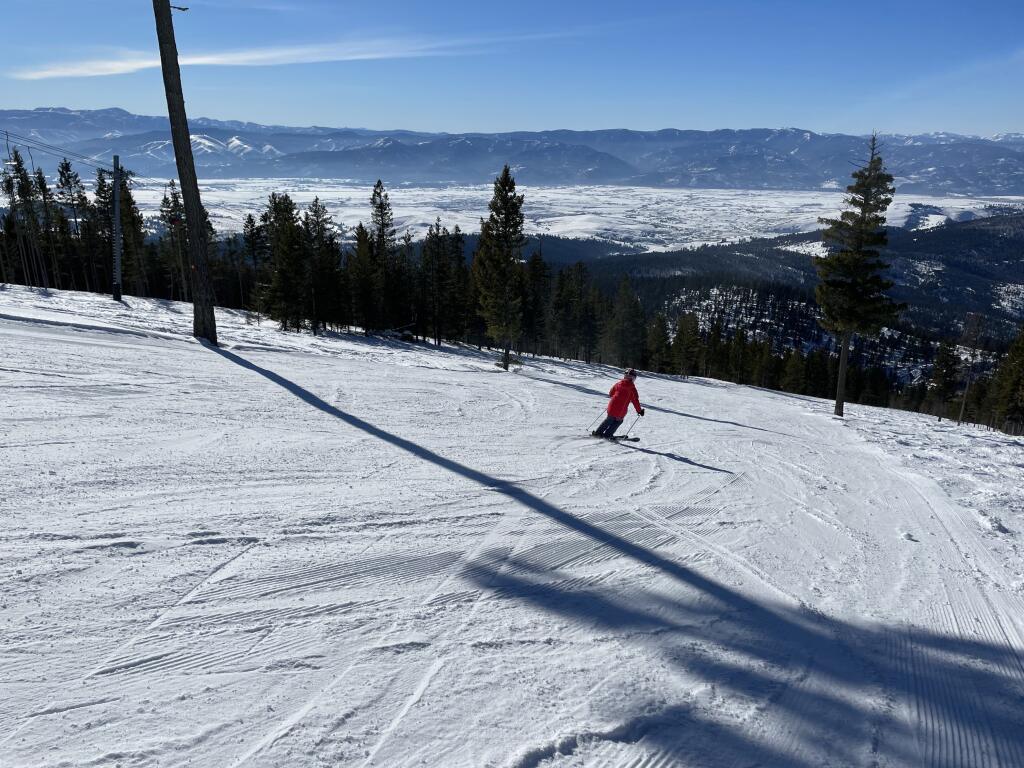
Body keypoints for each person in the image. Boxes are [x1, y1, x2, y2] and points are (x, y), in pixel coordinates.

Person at [593, 369, 644, 439]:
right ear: (633, 378)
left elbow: (611, 393)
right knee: (618, 421)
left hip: (612, 406)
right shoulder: (632, 389)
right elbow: (635, 401)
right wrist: (639, 411)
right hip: (621, 410)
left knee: (609, 419)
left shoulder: (618, 384)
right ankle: (608, 434)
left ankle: (598, 432)